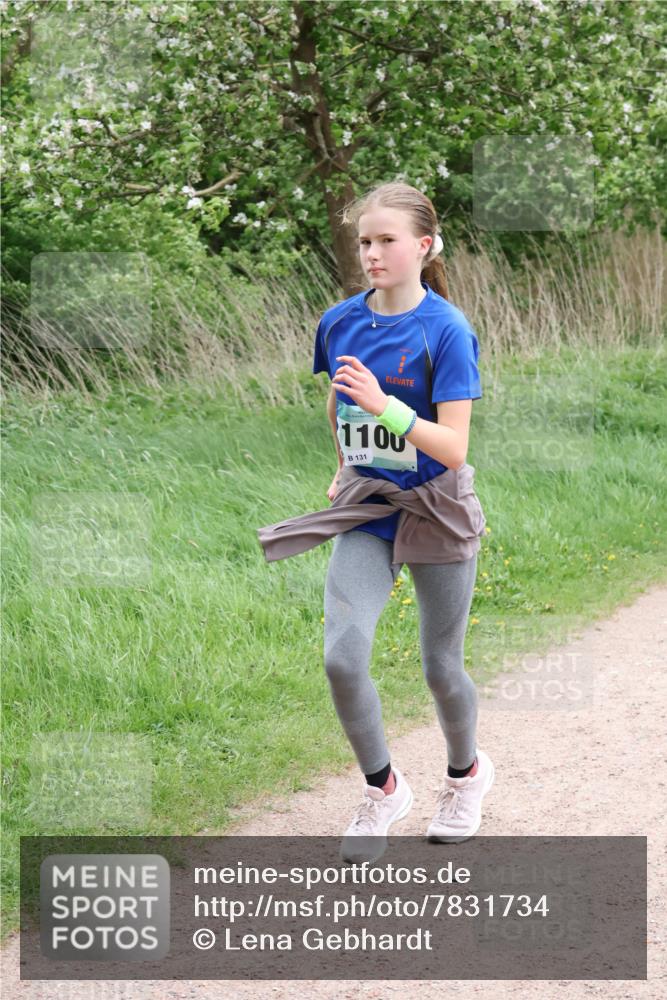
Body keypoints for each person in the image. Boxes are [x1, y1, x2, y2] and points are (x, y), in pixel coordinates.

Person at [312, 181, 494, 863]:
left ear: (423, 245)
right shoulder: (338, 321)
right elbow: (339, 402)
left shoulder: (446, 329)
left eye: (386, 240)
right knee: (341, 657)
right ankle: (383, 790)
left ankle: (465, 777)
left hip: (437, 506)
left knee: (441, 668)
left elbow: (453, 447)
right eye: (364, 241)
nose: (371, 253)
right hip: (369, 506)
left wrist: (383, 406)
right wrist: (342, 464)